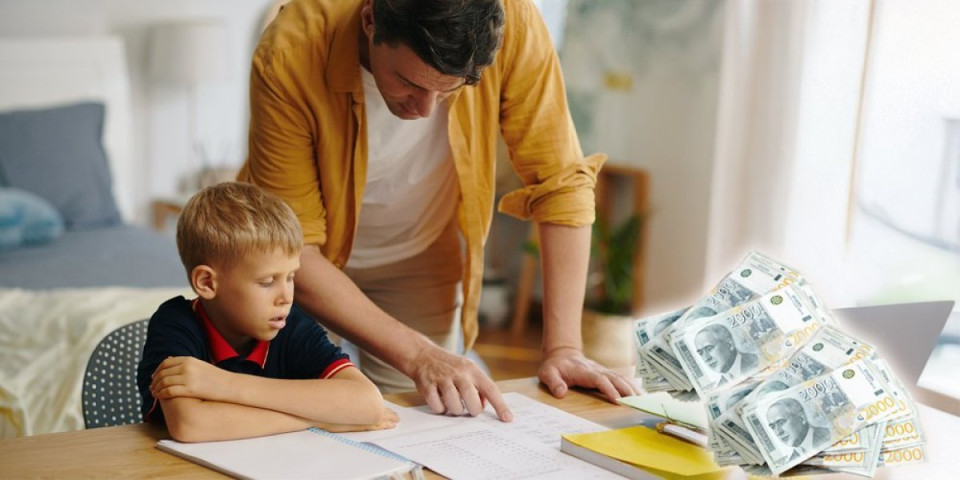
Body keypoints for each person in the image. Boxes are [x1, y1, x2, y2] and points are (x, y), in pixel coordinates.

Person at [239, 0, 636, 422]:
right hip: (297, 268)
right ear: (371, 19)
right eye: (408, 81)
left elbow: (560, 184)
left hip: (418, 254)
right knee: (289, 416)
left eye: (449, 89)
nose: (425, 109)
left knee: (423, 418)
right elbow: (294, 247)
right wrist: (419, 353)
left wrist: (564, 349)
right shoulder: (293, 48)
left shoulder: (512, 21)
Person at [137, 182, 397, 442]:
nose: (286, 296)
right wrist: (323, 419)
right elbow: (191, 425)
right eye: (267, 282)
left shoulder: (290, 323)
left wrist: (224, 384)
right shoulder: (175, 322)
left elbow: (368, 404)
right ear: (207, 283)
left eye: (291, 277)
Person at [766, 398, 830, 460]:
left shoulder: (830, 435)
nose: (778, 432)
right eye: (773, 427)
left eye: (781, 422)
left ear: (801, 418)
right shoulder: (791, 462)